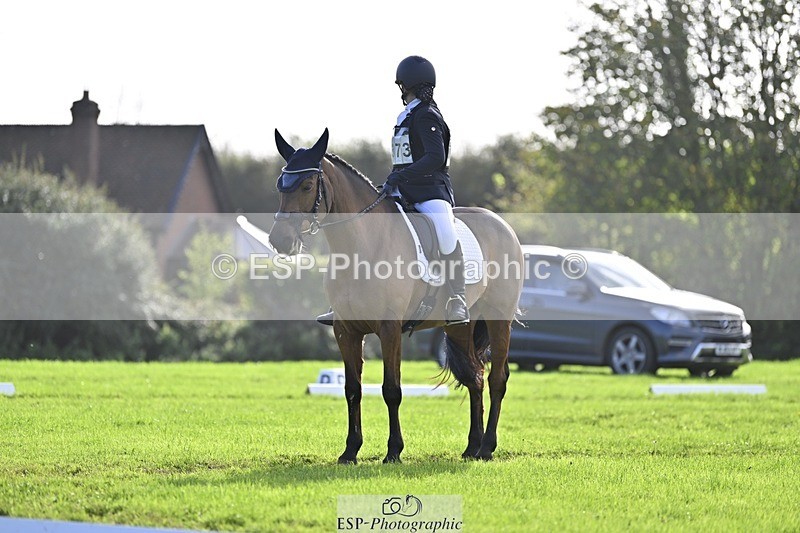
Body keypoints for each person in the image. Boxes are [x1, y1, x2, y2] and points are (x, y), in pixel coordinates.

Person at [317, 55, 469, 326]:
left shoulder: (427, 116)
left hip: (431, 192)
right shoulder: (405, 117)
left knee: (446, 234)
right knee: (366, 232)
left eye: (402, 85)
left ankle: (457, 298)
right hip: (403, 190)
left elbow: (435, 157)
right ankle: (343, 302)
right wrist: (396, 180)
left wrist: (399, 176)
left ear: (407, 85)